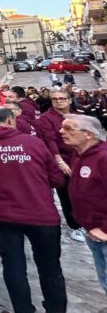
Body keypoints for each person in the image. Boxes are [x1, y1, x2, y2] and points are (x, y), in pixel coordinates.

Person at [0, 105, 67, 313]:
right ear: (10, 120)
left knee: (13, 265)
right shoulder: (33, 142)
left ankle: (23, 308)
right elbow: (56, 178)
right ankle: (56, 308)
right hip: (40, 213)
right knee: (50, 267)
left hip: (1, 213)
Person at [61, 114, 107, 298]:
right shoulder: (79, 155)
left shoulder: (103, 158)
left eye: (69, 128)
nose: (62, 131)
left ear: (88, 134)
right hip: (93, 231)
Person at [40, 89, 86, 242]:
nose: (58, 101)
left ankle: (87, 219)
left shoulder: (78, 115)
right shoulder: (46, 118)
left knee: (85, 191)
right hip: (61, 158)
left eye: (61, 98)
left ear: (68, 100)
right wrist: (59, 161)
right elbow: (49, 140)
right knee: (66, 193)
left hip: (80, 157)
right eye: (54, 99)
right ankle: (75, 226)